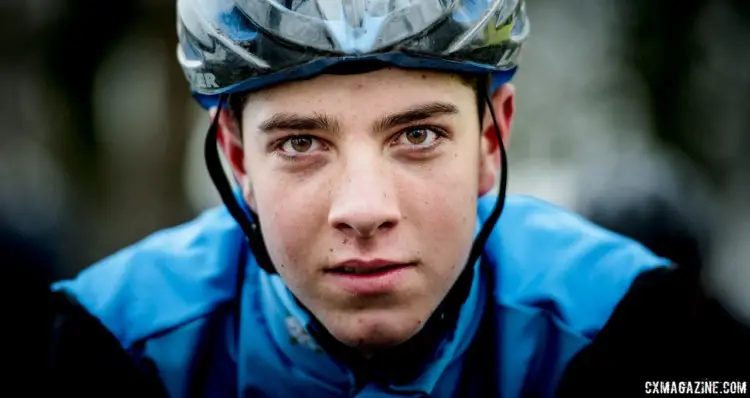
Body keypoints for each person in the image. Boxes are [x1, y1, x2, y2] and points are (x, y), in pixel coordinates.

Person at [53, 0, 750, 396]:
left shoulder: (637, 324)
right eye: (301, 144)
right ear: (237, 156)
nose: (362, 208)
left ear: (489, 139)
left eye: (417, 134)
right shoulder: (111, 344)